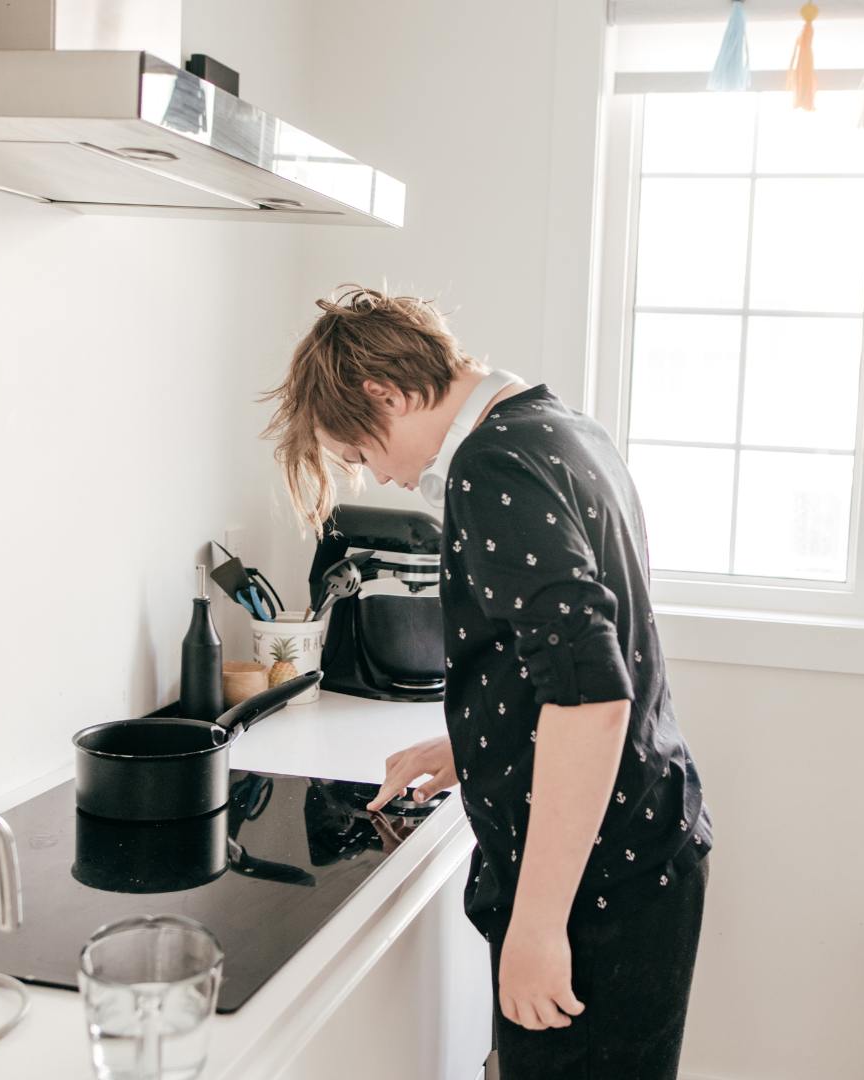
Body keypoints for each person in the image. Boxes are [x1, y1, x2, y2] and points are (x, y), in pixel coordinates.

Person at [261, 285, 713, 1079]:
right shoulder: (560, 426)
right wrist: (472, 746)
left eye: (359, 454)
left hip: (594, 891)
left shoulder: (491, 466)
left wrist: (538, 927)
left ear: (386, 393)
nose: (376, 478)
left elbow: (592, 699)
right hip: (641, 851)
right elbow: (576, 663)